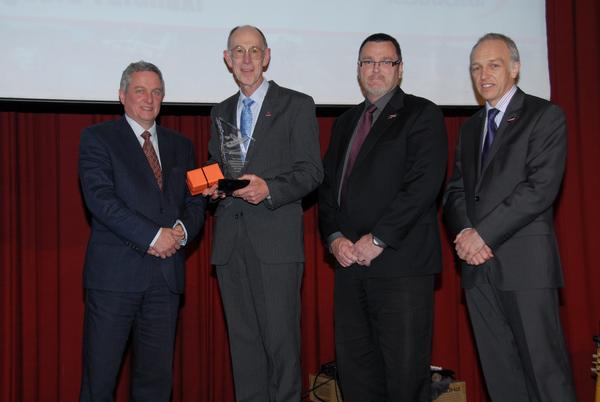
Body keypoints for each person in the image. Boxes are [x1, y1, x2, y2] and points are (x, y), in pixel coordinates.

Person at [443, 33, 578, 402]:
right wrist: (467, 232)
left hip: (525, 269)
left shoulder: (545, 115)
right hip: (477, 270)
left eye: (493, 64)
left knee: (544, 373)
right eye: (476, 67)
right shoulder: (471, 128)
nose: (483, 74)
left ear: (515, 68)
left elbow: (539, 188)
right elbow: (455, 191)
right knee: (501, 378)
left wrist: (482, 235)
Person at [318, 33, 448, 402]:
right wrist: (335, 238)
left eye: (385, 62)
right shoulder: (344, 123)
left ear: (400, 69)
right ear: (358, 70)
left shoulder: (422, 114)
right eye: (367, 62)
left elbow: (422, 186)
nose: (375, 70)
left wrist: (377, 239)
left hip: (400, 268)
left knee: (405, 379)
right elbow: (327, 190)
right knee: (357, 375)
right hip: (349, 269)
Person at [202, 25, 323, 402]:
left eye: (254, 51)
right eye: (239, 51)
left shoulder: (296, 104)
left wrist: (269, 188)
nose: (247, 59)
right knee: (244, 349)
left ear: (267, 56)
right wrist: (210, 188)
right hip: (230, 245)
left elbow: (311, 172)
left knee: (281, 348)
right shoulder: (220, 111)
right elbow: (218, 167)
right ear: (228, 60)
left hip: (276, 246)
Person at [78, 61, 206, 402]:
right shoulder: (97, 138)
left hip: (164, 284)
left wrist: (178, 232)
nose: (149, 99)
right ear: (122, 96)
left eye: (156, 91)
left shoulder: (183, 145)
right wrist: (153, 237)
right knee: (100, 382)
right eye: (140, 90)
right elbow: (101, 200)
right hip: (113, 281)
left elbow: (195, 203)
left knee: (156, 385)